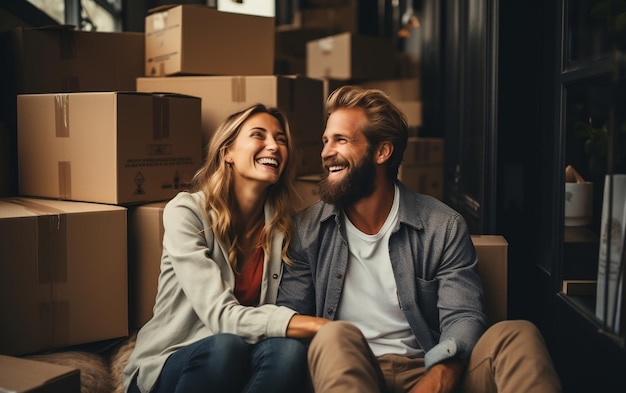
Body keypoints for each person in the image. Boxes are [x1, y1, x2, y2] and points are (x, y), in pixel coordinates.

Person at [277, 85, 563, 393]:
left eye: (341, 140)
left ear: (382, 152)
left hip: (427, 367)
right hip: (347, 371)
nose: (325, 153)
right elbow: (289, 320)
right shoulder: (307, 229)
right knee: (333, 336)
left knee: (518, 334)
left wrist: (436, 380)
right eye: (325, 141)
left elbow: (463, 316)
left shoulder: (442, 226)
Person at [122, 104, 329, 393]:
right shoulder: (186, 212)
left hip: (240, 359)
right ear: (227, 152)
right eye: (259, 135)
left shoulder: (285, 229)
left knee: (289, 351)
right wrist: (322, 327)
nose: (273, 146)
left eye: (281, 140)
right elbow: (222, 317)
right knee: (225, 347)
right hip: (171, 363)